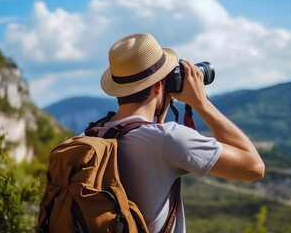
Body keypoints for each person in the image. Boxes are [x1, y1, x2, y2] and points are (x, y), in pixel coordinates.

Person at [96, 32, 265, 232]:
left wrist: (160, 108)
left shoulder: (91, 135)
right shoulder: (167, 139)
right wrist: (201, 103)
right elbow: (253, 167)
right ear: (160, 85)